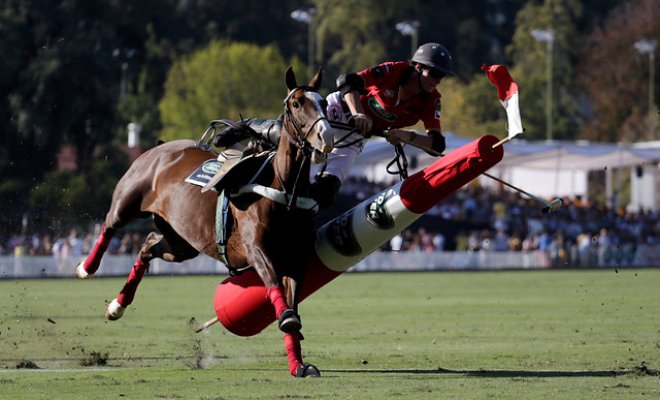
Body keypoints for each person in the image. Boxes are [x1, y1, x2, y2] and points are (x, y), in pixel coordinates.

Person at [204, 43, 453, 208]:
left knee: (328, 189)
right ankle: (247, 125)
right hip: (334, 112)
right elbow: (346, 81)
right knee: (288, 138)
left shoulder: (432, 100)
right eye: (434, 74)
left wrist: (407, 136)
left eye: (441, 76)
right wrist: (358, 113)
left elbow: (437, 143)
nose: (437, 81)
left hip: (356, 138)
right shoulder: (396, 70)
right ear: (417, 67)